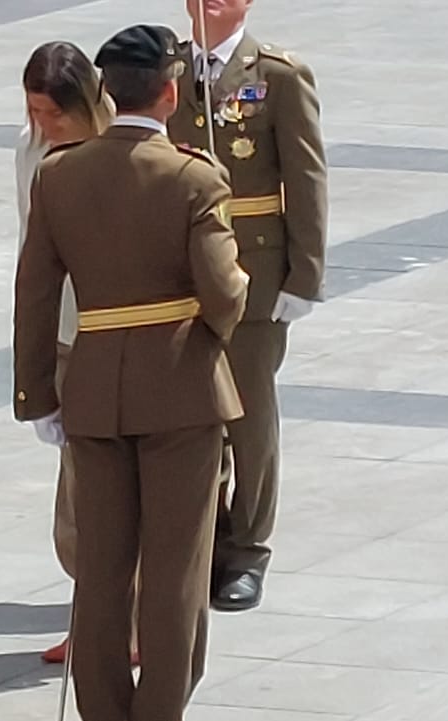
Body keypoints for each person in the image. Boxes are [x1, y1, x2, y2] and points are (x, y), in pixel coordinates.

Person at [13, 23, 249, 721]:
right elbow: (223, 291)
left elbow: (34, 292)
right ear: (171, 92)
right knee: (174, 576)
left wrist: (37, 396)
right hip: (181, 391)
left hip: (93, 391)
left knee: (102, 576)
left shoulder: (59, 174)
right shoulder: (192, 174)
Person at [168, 0, 329, 612]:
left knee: (249, 417)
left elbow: (306, 176)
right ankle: (199, 543)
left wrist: (304, 275)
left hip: (254, 271)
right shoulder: (170, 69)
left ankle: (248, 549)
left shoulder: (278, 76)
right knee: (187, 414)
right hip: (178, 270)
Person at [12, 39, 124, 666]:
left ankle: (117, 623)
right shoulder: (31, 153)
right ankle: (97, 617)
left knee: (108, 490)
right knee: (79, 499)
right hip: (65, 334)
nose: (44, 126)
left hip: (118, 333)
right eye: (35, 112)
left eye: (55, 113)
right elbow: (31, 259)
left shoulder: (122, 145)